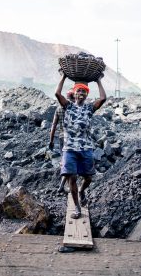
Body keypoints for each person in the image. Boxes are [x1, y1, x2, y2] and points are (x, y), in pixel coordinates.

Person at [55, 73, 106, 219]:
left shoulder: (90, 108)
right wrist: (64, 77)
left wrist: (98, 80)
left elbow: (103, 98)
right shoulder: (67, 106)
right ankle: (77, 208)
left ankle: (82, 191)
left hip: (85, 148)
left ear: (86, 94)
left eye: (84, 91)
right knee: (72, 177)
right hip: (70, 148)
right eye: (79, 91)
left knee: (88, 177)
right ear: (75, 93)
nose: (81, 93)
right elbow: (57, 93)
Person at [49, 89, 75, 193]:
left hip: (61, 137)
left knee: (65, 160)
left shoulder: (58, 109)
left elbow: (53, 125)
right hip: (72, 138)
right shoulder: (75, 108)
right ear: (73, 97)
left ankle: (62, 186)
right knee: (71, 162)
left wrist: (51, 140)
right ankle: (64, 185)